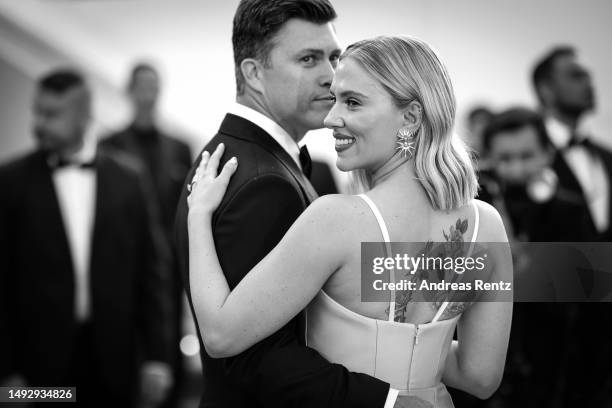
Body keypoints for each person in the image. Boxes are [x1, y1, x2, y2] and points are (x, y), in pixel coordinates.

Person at [183, 35, 513, 408]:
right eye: (336, 99)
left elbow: (220, 335)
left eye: (352, 102)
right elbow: (480, 377)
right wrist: (419, 358)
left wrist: (198, 217)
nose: (330, 118)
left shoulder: (336, 220)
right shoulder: (488, 225)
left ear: (411, 117)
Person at [175, 1, 416, 406]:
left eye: (333, 57)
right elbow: (256, 358)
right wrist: (388, 401)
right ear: (253, 73)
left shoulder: (239, 156)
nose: (331, 75)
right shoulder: (261, 180)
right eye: (309, 59)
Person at [0, 69, 173, 407]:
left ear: (83, 115)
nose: (39, 123)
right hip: (36, 374)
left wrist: (158, 357)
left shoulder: (129, 180)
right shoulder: (10, 181)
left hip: (115, 364)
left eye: (52, 114)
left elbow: (152, 274)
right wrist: (5, 375)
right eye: (37, 111)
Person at [101, 62, 192, 407]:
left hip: (169, 267)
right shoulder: (108, 145)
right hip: (122, 264)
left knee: (168, 343)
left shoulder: (180, 147)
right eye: (141, 85)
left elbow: (188, 209)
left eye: (153, 85)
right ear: (129, 90)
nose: (147, 92)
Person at [532, 45, 612, 242]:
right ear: (546, 89)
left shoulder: (606, 156)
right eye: (576, 76)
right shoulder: (528, 154)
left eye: (588, 75)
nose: (589, 83)